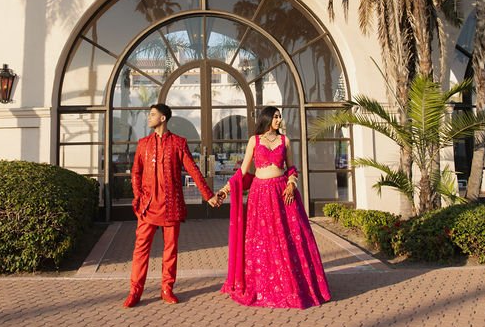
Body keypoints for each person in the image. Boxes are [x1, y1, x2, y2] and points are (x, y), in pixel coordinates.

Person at [216, 106, 330, 308]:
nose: (278, 120)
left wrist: (291, 184)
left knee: (288, 239)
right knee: (262, 240)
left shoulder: (285, 141)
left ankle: (291, 285)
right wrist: (225, 190)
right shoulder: (255, 140)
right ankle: (263, 285)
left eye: (279, 116)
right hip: (259, 195)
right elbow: (243, 171)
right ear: (267, 118)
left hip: (281, 194)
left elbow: (292, 168)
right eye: (275, 116)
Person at [124, 103, 221, 308]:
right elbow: (136, 173)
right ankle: (135, 291)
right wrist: (138, 196)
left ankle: (167, 289)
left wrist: (208, 195)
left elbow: (193, 170)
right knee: (140, 250)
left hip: (171, 206)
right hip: (147, 206)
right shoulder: (143, 144)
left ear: (163, 118)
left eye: (152, 115)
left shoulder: (178, 143)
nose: (148, 118)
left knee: (170, 250)